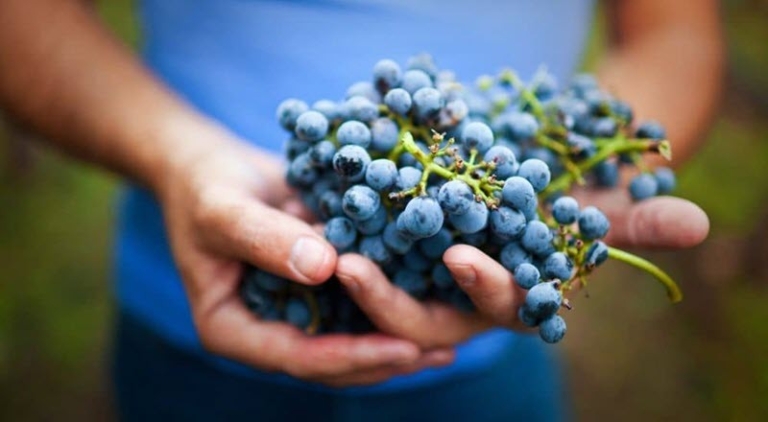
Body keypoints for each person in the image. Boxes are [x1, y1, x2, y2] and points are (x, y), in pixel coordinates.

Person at [0, 0, 723, 420]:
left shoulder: (489, 185)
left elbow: (675, 30)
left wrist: (589, 159)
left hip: (482, 358)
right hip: (193, 306)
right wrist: (174, 156)